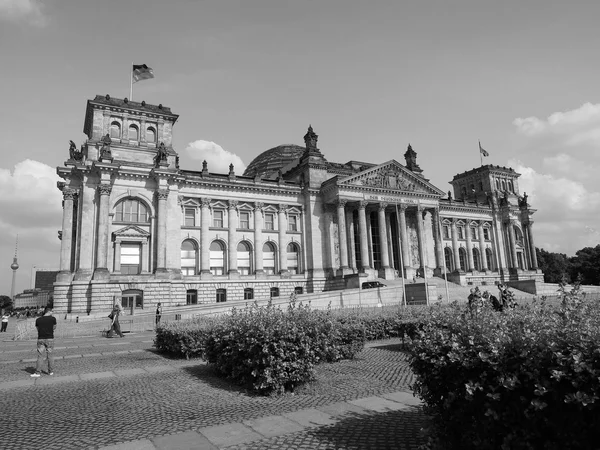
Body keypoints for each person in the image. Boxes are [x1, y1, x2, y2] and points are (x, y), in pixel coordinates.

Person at [31, 306, 57, 377]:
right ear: (49, 311)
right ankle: (50, 372)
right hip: (50, 339)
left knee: (40, 356)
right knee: (50, 355)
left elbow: (38, 329)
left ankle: (37, 372)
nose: (52, 313)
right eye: (52, 311)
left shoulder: (38, 320)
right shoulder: (53, 319)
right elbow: (54, 327)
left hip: (41, 338)